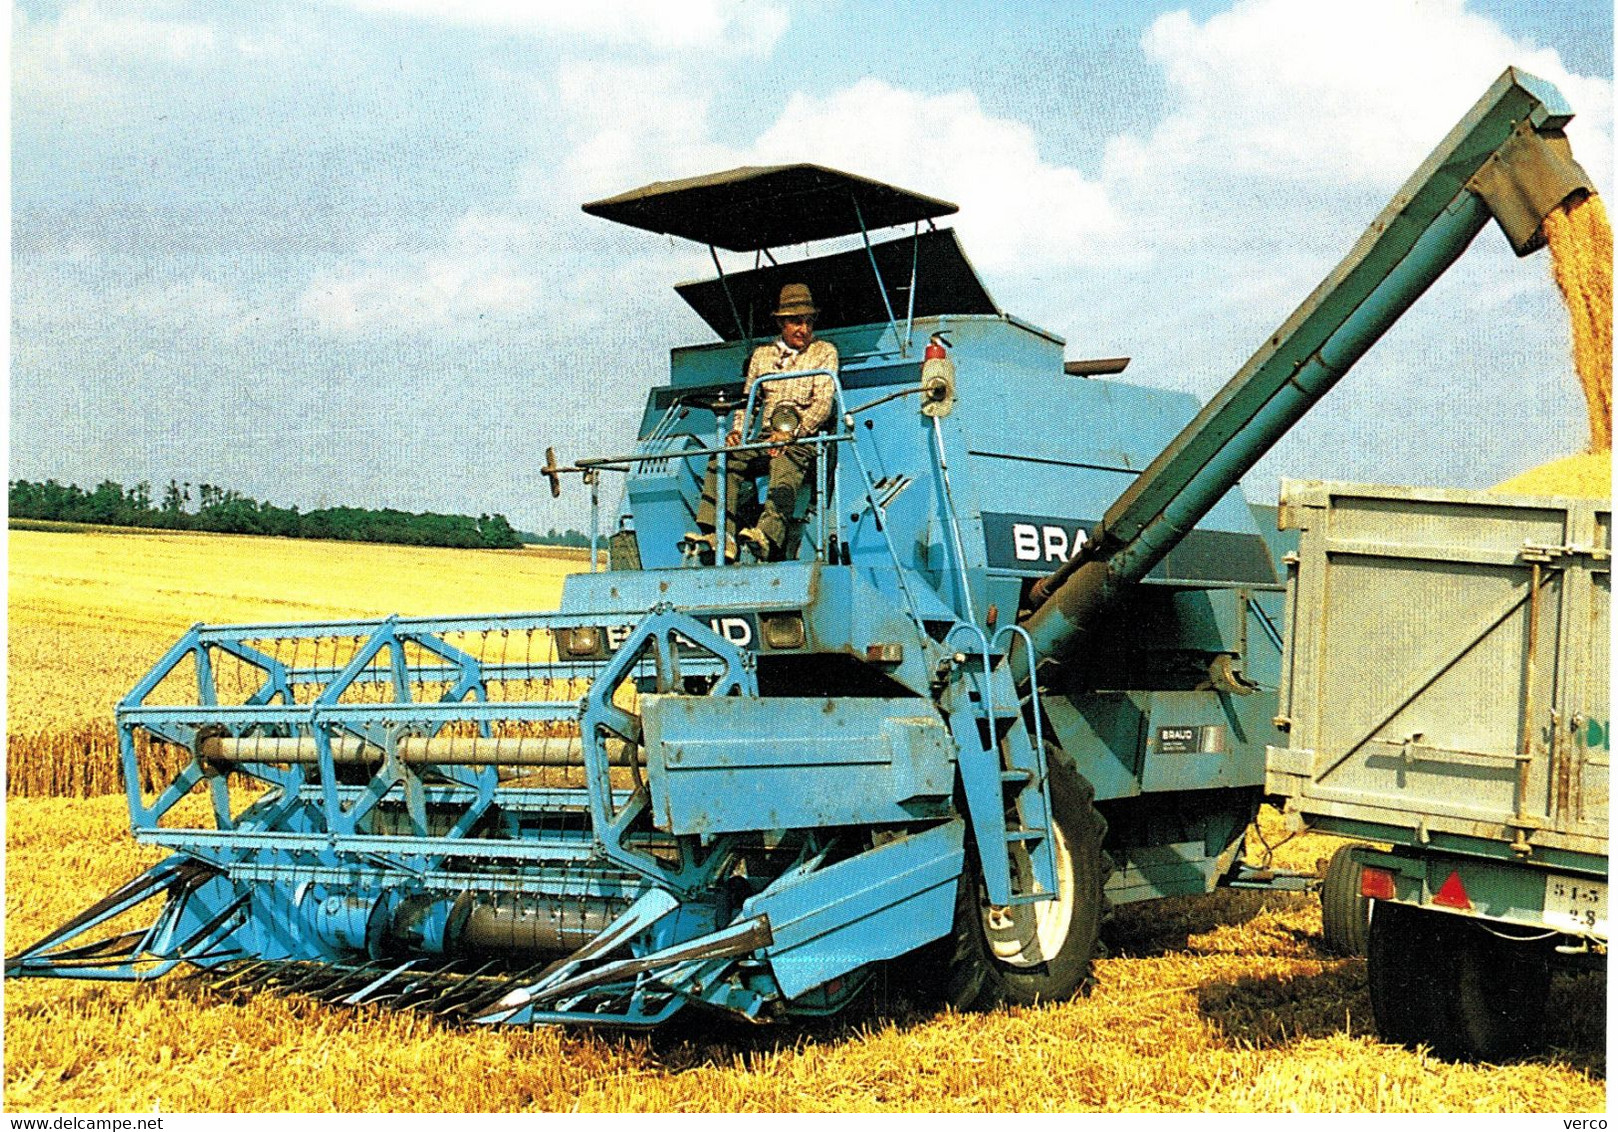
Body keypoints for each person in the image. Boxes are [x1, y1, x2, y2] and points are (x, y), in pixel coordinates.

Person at [690, 283, 839, 561]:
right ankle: (720, 534)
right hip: (766, 436)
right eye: (796, 322)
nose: (803, 330)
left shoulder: (824, 353)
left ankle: (767, 535)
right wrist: (737, 432)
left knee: (785, 460)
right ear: (781, 323)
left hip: (803, 438)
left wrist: (793, 433)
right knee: (724, 458)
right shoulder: (762, 356)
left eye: (808, 322)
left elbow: (823, 404)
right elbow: (749, 403)